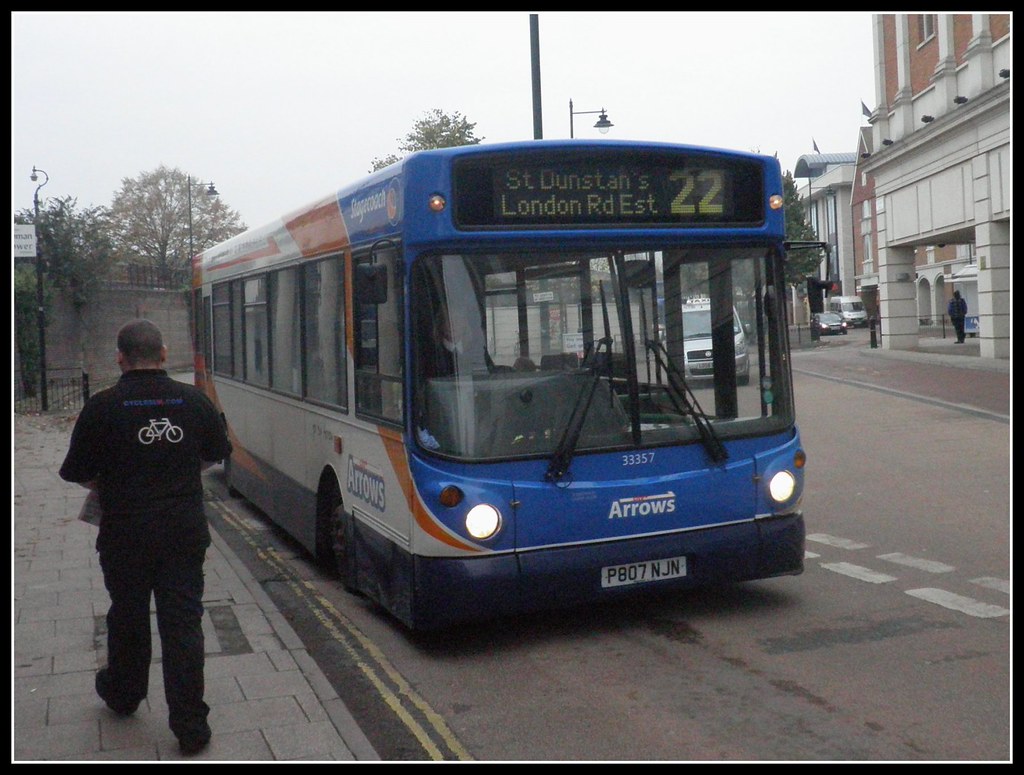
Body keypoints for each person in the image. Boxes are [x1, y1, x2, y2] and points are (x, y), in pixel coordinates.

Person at [59, 319, 231, 756]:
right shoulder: (194, 401)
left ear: (120, 357)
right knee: (183, 623)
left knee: (128, 615)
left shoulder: (102, 407)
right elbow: (216, 454)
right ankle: (191, 725)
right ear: (163, 353)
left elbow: (76, 471)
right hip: (183, 531)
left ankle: (123, 693)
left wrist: (109, 482)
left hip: (125, 533)